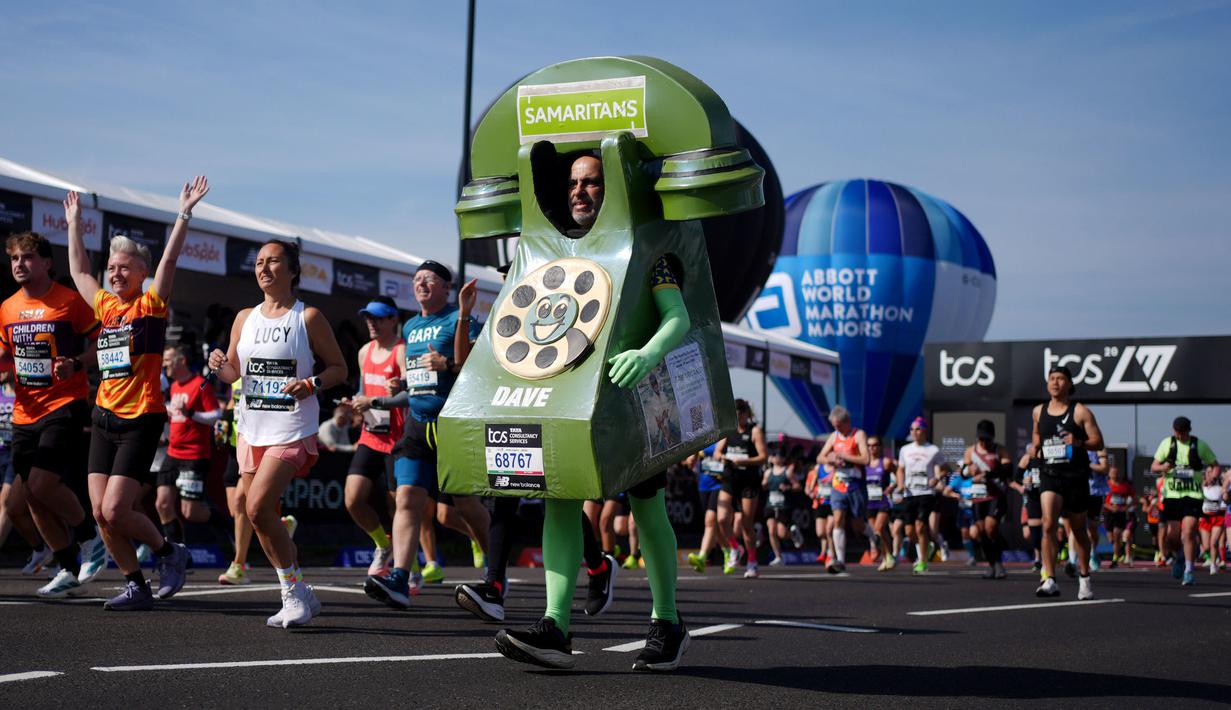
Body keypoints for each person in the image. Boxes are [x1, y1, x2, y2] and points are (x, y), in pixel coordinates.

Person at [495, 153, 691, 672]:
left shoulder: (650, 247)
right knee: (558, 500)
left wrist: (647, 353)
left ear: (617, 187)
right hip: (566, 393)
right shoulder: (548, 250)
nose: (581, 192)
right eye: (575, 184)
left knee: (647, 509)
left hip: (635, 399)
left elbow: (678, 318)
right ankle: (555, 625)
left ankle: (667, 622)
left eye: (594, 182)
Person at [64, 183, 206, 609]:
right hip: (104, 416)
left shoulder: (151, 305)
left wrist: (182, 214)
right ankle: (136, 584)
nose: (115, 273)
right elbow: (78, 272)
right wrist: (73, 224)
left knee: (116, 509)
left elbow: (171, 259)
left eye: (125, 268)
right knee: (100, 513)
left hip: (141, 418)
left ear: (141, 273)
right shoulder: (106, 307)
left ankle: (168, 552)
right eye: (113, 267)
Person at [208, 239, 348, 626]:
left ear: (291, 270)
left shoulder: (308, 317)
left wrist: (312, 383)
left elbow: (339, 368)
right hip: (251, 428)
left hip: (290, 427)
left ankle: (294, 592)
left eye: (273, 262)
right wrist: (218, 362)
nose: (263, 269)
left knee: (255, 507)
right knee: (258, 514)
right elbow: (234, 373)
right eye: (258, 263)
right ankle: (300, 594)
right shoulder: (243, 318)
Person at [357, 260, 487, 608]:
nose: (421, 284)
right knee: (407, 499)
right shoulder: (412, 327)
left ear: (447, 287)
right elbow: (415, 377)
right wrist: (399, 387)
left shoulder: (461, 320)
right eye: (416, 280)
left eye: (429, 280)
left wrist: (448, 364)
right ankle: (400, 576)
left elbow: (478, 367)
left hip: (451, 424)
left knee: (465, 505)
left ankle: (495, 569)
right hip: (416, 423)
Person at [0, 228, 109, 597]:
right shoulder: (7, 307)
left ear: (46, 263)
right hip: (23, 411)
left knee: (42, 484)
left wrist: (76, 364)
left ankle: (90, 537)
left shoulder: (69, 301)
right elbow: (5, 356)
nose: (19, 264)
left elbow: (103, 344)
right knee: (29, 497)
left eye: (27, 257)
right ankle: (67, 566)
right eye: (14, 258)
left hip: (64, 405)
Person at [339, 296, 403, 578]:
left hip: (398, 437)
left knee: (397, 506)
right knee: (352, 499)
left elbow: (411, 395)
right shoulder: (364, 352)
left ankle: (408, 566)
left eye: (378, 318)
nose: (371, 323)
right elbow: (363, 390)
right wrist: (352, 403)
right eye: (368, 318)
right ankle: (382, 544)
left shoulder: (402, 352)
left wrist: (396, 389)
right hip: (370, 435)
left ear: (393, 320)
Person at [1033, 365, 1104, 599]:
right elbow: (1037, 435)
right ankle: (1049, 579)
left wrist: (1079, 442)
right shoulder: (1038, 411)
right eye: (1052, 378)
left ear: (1069, 384)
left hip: (1075, 477)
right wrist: (1037, 450)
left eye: (1060, 379)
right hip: (1050, 474)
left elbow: (1098, 442)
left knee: (1078, 530)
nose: (1055, 382)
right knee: (1047, 524)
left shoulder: (1080, 411)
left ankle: (1084, 580)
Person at [157, 344, 222, 550]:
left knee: (191, 512)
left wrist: (192, 414)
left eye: (168, 360)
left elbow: (216, 416)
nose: (164, 364)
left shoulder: (200, 385)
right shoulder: (174, 386)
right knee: (162, 504)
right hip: (172, 453)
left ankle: (229, 524)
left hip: (194, 455)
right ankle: (176, 552)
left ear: (181, 361)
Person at [1150, 416, 1219, 586]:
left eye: (1183, 432)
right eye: (1177, 432)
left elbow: (1215, 465)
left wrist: (1212, 478)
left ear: (1189, 430)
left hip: (1192, 496)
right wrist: (1163, 467)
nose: (1180, 435)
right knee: (1172, 537)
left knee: (1188, 531)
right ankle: (1180, 556)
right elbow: (1154, 466)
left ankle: (1189, 571)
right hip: (1172, 495)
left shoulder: (1199, 445)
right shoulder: (1168, 444)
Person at [816, 406, 879, 574]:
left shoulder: (858, 435)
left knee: (857, 524)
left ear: (847, 422)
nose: (836, 429)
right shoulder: (834, 437)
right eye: (834, 426)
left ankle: (873, 537)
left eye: (838, 425)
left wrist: (844, 456)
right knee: (838, 519)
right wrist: (830, 459)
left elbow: (865, 459)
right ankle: (840, 560)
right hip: (838, 484)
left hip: (855, 484)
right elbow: (819, 457)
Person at [714, 399, 768, 578]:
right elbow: (717, 452)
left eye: (740, 416)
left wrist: (743, 461)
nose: (738, 420)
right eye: (734, 416)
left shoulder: (755, 431)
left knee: (746, 523)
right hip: (730, 478)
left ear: (746, 414)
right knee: (721, 518)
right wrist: (723, 457)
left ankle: (752, 561)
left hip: (748, 481)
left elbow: (763, 457)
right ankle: (735, 548)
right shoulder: (729, 430)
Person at [895, 417, 949, 574]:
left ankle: (923, 561)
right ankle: (926, 545)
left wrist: (937, 478)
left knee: (920, 526)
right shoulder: (905, 450)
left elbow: (945, 468)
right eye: (912, 429)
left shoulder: (933, 450)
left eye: (917, 429)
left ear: (924, 431)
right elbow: (900, 469)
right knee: (909, 532)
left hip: (926, 493)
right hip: (909, 492)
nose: (914, 432)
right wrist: (900, 483)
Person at [216, 378, 256, 585]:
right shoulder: (234, 375)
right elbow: (234, 400)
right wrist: (223, 419)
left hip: (254, 443)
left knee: (241, 502)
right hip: (234, 445)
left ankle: (238, 566)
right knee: (236, 511)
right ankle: (282, 525)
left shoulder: (260, 367)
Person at [962, 420, 1012, 580]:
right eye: (981, 439)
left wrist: (988, 473)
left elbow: (1008, 469)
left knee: (991, 527)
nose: (984, 443)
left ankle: (999, 562)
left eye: (987, 439)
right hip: (978, 496)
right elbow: (962, 472)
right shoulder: (970, 451)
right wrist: (968, 470)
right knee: (980, 531)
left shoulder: (1000, 450)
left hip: (996, 495)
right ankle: (992, 564)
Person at [686, 450, 731, 573]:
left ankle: (702, 557)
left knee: (710, 520)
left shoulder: (723, 438)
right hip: (704, 485)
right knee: (712, 525)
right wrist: (691, 458)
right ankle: (728, 552)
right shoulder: (704, 437)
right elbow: (690, 463)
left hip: (720, 484)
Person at [762, 448, 798, 566]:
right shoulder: (768, 472)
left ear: (782, 459)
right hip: (771, 504)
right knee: (771, 530)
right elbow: (763, 485)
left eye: (778, 456)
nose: (776, 458)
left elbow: (798, 486)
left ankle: (792, 534)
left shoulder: (787, 472)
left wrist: (788, 488)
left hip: (783, 505)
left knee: (781, 533)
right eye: (774, 456)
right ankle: (778, 556)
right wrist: (764, 484)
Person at [1012, 443, 1045, 572]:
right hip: (1033, 497)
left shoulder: (1049, 455)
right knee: (1035, 532)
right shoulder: (1027, 458)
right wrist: (1024, 481)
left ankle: (1052, 555)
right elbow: (1017, 477)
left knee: (1049, 528)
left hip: (1048, 494)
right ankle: (1038, 558)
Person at [865, 436, 896, 571]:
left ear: (880, 447)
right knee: (877, 533)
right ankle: (886, 556)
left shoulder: (886, 462)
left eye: (875, 445)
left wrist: (893, 486)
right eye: (869, 445)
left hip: (883, 500)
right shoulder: (863, 464)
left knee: (879, 528)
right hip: (869, 502)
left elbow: (900, 473)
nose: (872, 448)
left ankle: (889, 556)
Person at [1101, 465, 1135, 568]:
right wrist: (1110, 507)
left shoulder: (1125, 485)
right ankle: (1119, 551)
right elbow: (1101, 499)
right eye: (1112, 473)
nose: (1114, 475)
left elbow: (1134, 497)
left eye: (1116, 473)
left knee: (1117, 535)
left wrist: (1126, 507)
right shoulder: (1105, 484)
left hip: (1120, 514)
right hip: (1108, 513)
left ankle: (1115, 558)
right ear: (1109, 474)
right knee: (1111, 538)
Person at [1199, 473, 1227, 574]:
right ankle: (1210, 558)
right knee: (1206, 546)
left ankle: (1213, 565)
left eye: (1212, 476)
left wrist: (1225, 494)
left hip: (1217, 517)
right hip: (1205, 518)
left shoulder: (1219, 488)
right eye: (1207, 475)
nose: (1210, 478)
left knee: (1213, 542)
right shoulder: (1201, 488)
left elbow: (1225, 499)